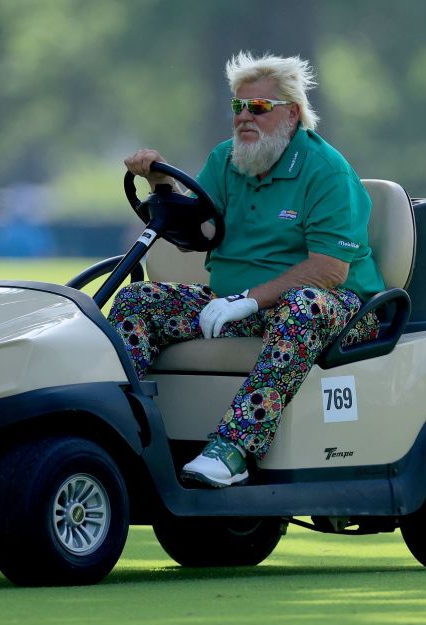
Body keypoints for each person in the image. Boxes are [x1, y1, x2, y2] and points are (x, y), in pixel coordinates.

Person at [109, 51, 385, 487]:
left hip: (342, 312)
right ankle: (120, 436)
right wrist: (159, 184)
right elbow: (195, 231)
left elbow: (330, 270)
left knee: (301, 308)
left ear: (292, 114)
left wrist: (248, 300)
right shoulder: (227, 160)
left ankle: (233, 449)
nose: (243, 117)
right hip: (242, 305)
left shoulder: (326, 170)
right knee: (136, 300)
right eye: (238, 106)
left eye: (258, 107)